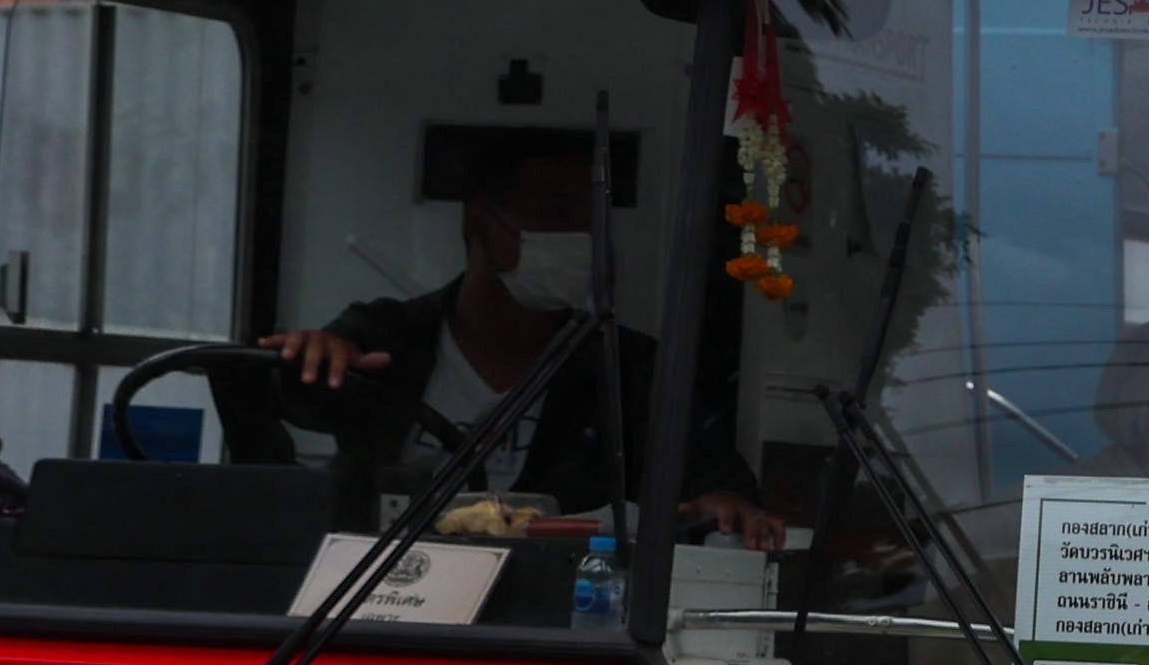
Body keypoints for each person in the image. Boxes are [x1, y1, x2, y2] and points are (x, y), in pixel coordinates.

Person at [253, 133, 767, 541]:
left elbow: (717, 482)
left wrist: (724, 508)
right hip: (374, 603)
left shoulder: (625, 368)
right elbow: (296, 402)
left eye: (591, 221)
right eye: (556, 210)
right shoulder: (388, 335)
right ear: (480, 223)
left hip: (550, 621)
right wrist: (313, 359)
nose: (578, 236)